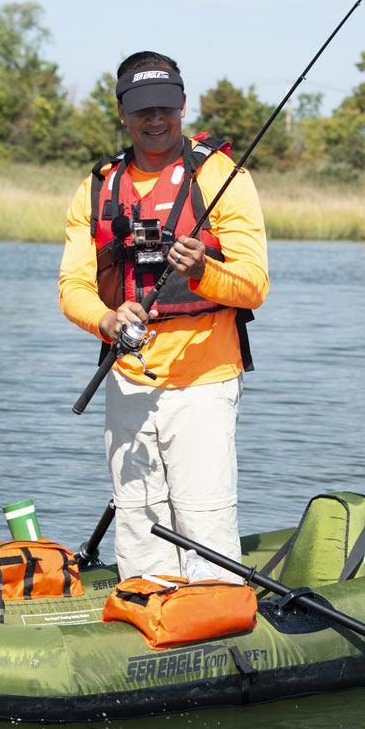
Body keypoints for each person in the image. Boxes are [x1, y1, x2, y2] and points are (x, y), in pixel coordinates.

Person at [59, 51, 269, 579]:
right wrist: (107, 321)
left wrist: (203, 271)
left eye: (165, 109)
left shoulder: (223, 175)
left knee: (203, 518)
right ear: (123, 112)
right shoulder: (98, 186)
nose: (155, 121)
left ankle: (217, 611)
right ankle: (148, 611)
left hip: (204, 379)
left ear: (181, 105)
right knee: (137, 519)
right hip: (127, 380)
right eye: (142, 110)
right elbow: (74, 287)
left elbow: (254, 286)